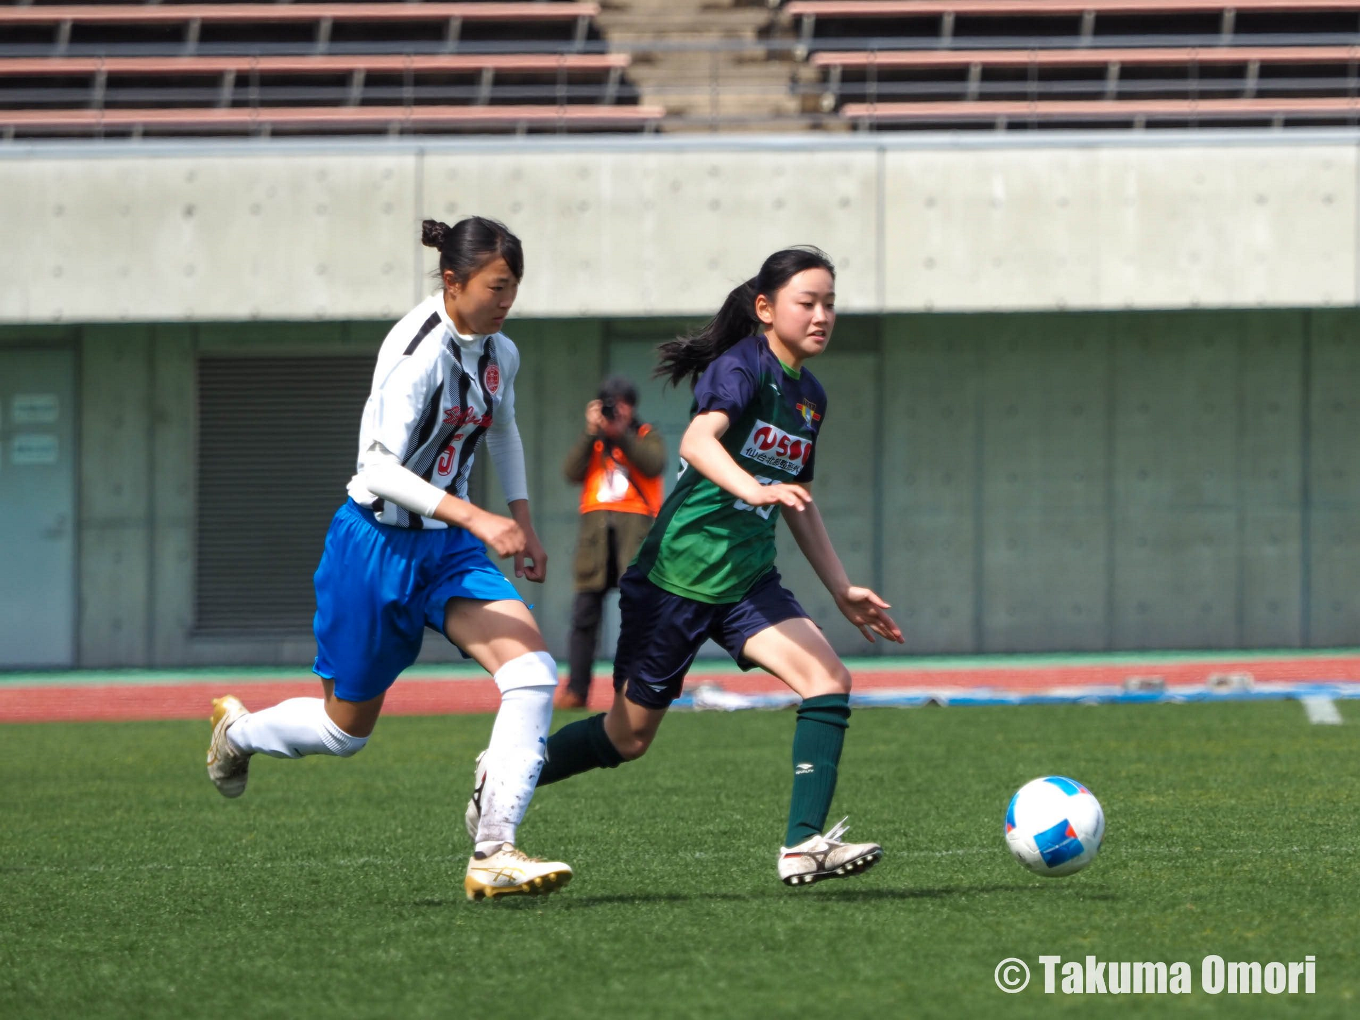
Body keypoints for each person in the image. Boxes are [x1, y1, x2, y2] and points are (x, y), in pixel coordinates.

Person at [468, 246, 904, 887]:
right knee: (627, 738)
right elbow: (699, 441)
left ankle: (802, 845)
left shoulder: (810, 396)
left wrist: (841, 588)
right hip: (676, 577)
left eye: (830, 304)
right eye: (807, 302)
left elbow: (799, 500)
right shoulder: (742, 366)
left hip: (748, 581)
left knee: (828, 679)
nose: (821, 316)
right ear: (765, 308)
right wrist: (753, 489)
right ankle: (502, 772)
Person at [206, 216, 573, 902]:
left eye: (514, 288)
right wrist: (478, 516)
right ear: (452, 281)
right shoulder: (417, 351)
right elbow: (375, 469)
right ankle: (240, 732)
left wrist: (522, 520)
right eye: (495, 287)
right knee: (343, 733)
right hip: (373, 548)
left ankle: (494, 848)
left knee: (532, 673)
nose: (506, 301)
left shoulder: (502, 351)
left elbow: (503, 430)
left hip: (449, 550)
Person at [557, 376, 665, 709]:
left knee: (638, 616)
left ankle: (634, 688)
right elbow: (571, 471)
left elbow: (654, 464)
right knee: (584, 618)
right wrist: (592, 432)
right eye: (608, 403)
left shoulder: (645, 435)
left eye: (621, 403)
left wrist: (622, 435)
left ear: (631, 406)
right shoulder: (595, 441)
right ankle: (576, 690)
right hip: (596, 542)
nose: (615, 409)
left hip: (635, 537)